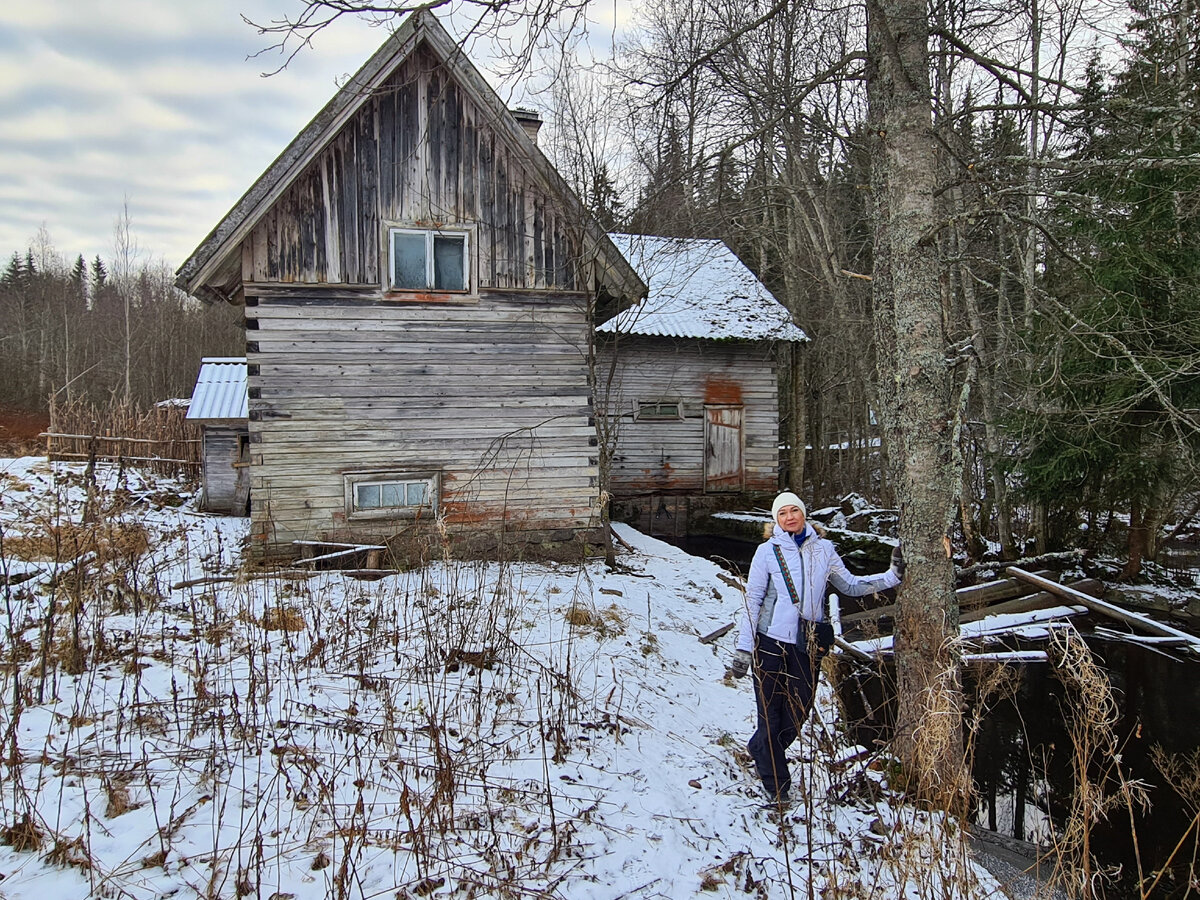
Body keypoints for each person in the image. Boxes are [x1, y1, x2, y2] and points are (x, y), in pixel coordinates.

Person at [728, 491, 905, 804]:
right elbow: (753, 600)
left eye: (794, 510)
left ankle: (760, 750)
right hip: (768, 643)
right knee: (770, 714)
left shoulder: (824, 549)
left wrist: (893, 576)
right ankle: (777, 786)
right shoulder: (766, 552)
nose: (790, 517)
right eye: (783, 513)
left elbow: (850, 585)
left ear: (804, 514)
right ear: (776, 520)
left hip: (806, 643)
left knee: (798, 713)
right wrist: (744, 648)